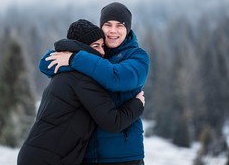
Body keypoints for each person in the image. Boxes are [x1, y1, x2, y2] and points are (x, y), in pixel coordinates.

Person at [17, 19, 145, 165]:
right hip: (46, 159)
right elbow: (113, 121)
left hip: (39, 156)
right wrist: (137, 104)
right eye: (96, 46)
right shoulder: (82, 79)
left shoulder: (67, 73)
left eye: (103, 46)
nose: (103, 52)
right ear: (82, 48)